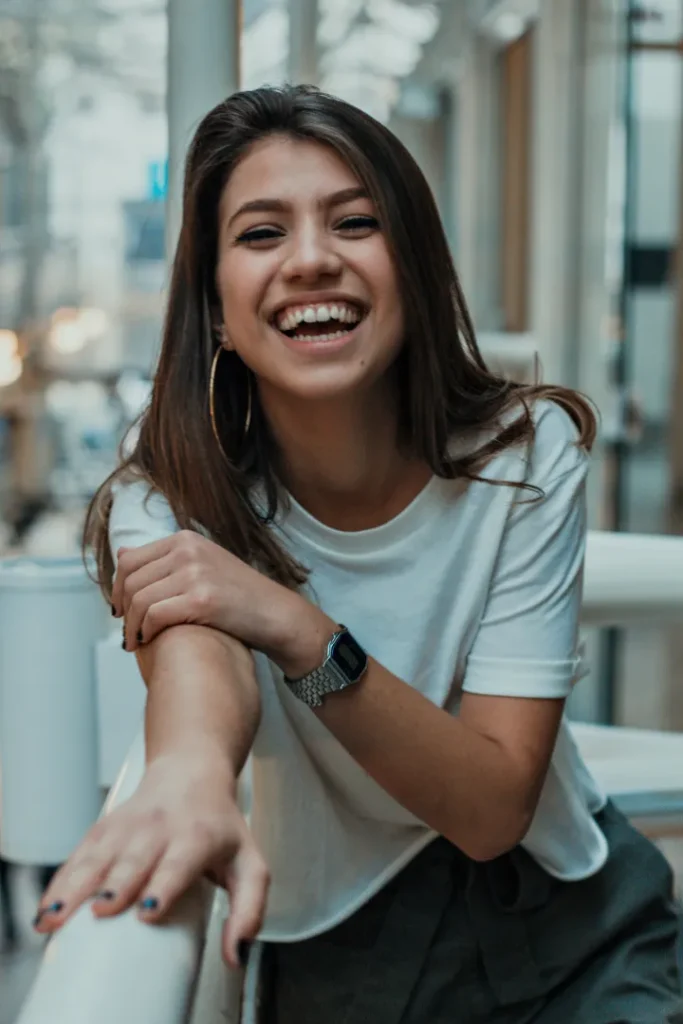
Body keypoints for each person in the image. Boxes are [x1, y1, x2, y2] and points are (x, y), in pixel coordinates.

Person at [34, 86, 681, 1023]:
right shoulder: (171, 496)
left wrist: (298, 629)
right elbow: (198, 677)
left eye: (355, 222)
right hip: (344, 962)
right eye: (260, 234)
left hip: (572, 924)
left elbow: (495, 807)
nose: (310, 260)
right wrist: (184, 778)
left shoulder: (527, 453)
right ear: (214, 307)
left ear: (413, 268)